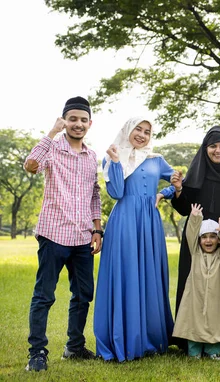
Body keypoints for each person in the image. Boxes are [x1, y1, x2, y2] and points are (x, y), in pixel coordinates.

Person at [23, 96, 102, 372]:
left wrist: (97, 228)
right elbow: (30, 164)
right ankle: (37, 353)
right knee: (44, 295)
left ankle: (74, 347)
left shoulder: (92, 156)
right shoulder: (52, 149)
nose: (78, 124)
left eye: (83, 120)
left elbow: (95, 195)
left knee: (83, 295)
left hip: (83, 237)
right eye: (72, 119)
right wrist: (51, 132)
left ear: (89, 124)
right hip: (53, 234)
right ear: (64, 121)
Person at [94, 117, 175, 362]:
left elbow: (180, 181)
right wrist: (117, 163)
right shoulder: (112, 156)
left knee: (148, 274)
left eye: (147, 131)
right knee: (126, 273)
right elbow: (116, 192)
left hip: (149, 222)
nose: (142, 134)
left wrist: (163, 193)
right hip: (124, 221)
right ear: (127, 130)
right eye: (138, 129)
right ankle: (123, 337)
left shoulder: (156, 159)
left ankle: (151, 337)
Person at [170, 126, 220, 353]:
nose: (218, 150)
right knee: (193, 289)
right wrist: (178, 191)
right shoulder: (196, 175)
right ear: (205, 149)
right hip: (196, 242)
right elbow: (185, 209)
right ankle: (189, 338)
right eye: (213, 146)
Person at [172, 206, 220, 360]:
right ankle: (194, 352)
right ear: (199, 240)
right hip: (195, 296)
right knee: (194, 322)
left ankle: (213, 351)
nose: (208, 240)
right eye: (204, 237)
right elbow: (191, 234)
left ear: (218, 240)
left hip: (215, 298)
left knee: (215, 322)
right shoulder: (195, 252)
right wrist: (194, 218)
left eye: (212, 237)